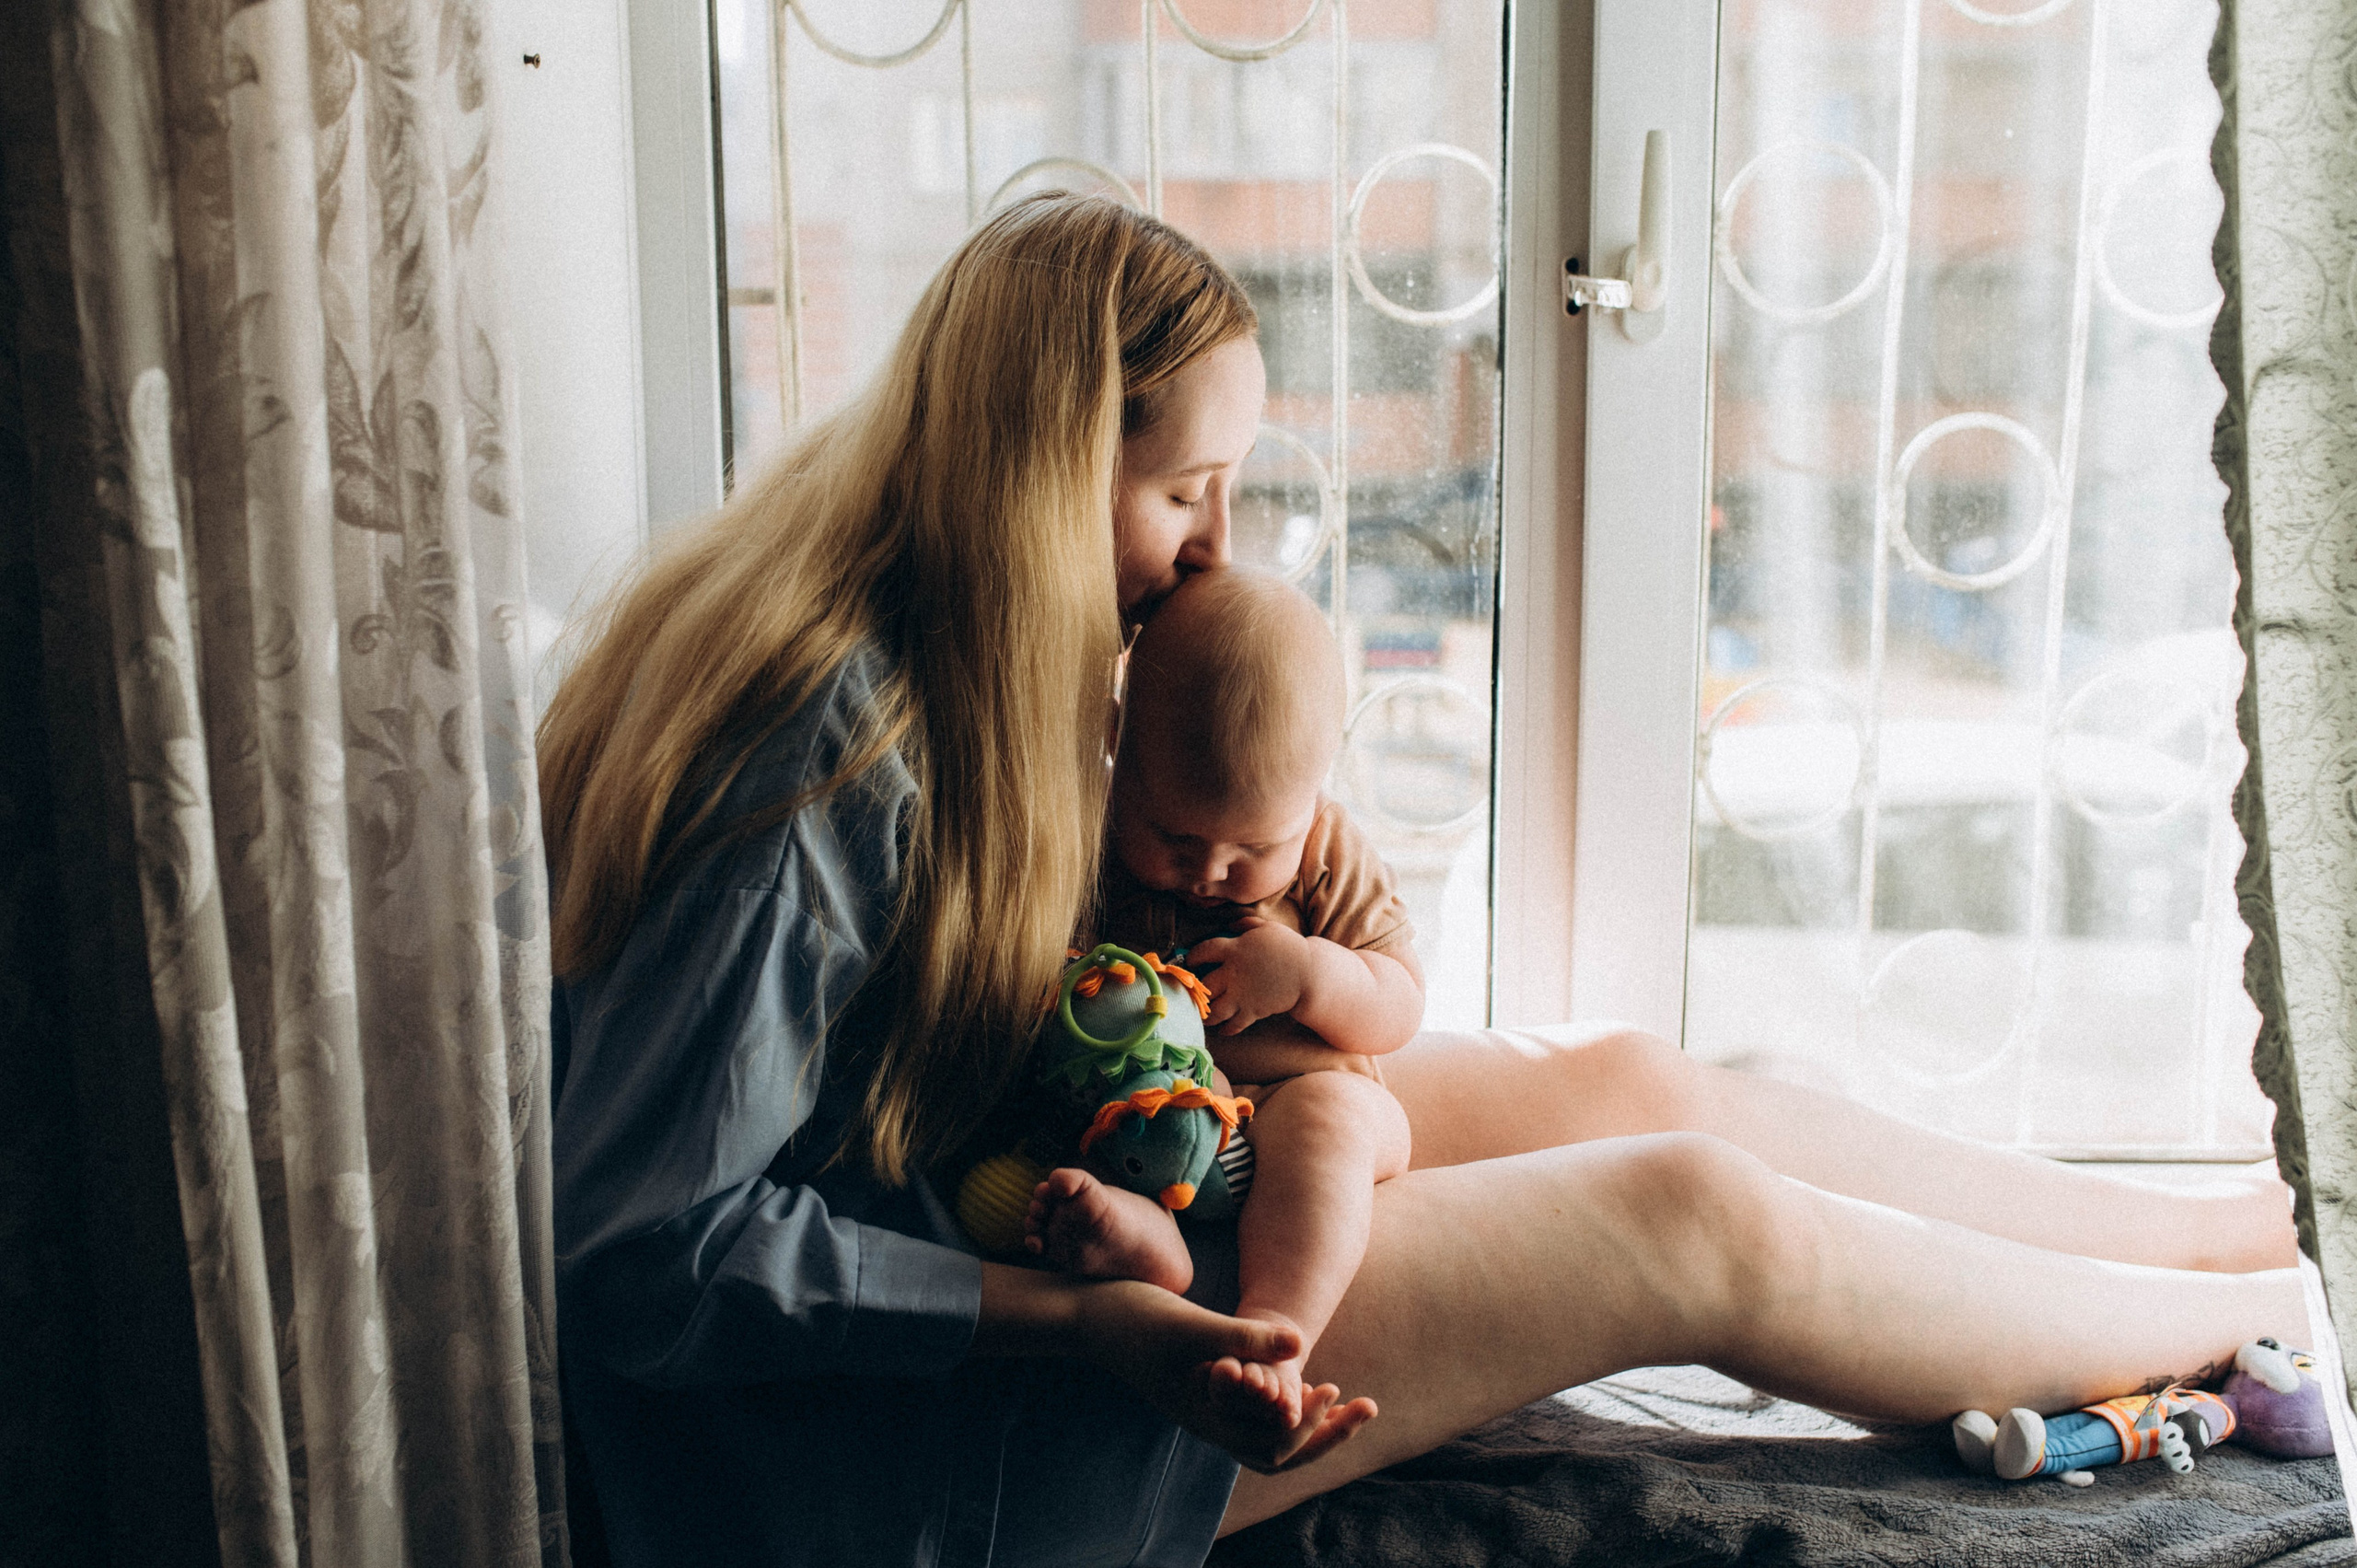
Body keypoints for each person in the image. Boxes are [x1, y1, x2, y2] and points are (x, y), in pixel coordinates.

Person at [540, 192, 2305, 1566]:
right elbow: (649, 1253)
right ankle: (2261, 1323)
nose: (1216, 554)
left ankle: (2239, 1226)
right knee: (1688, 1213)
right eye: (1188, 493)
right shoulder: (822, 750)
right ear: (1049, 469)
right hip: (913, 1459)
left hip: (1062, 1203)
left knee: (1613, 1073)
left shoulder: (951, 655)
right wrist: (1094, 1325)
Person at [1026, 568, 1419, 1444]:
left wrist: (1314, 975)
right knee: (1054, 1113)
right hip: (1152, 1122)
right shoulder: (1093, 833)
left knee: (1332, 1118)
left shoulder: (1325, 846)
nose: (1210, 871)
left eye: (1254, 847)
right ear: (1118, 746)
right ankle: (1150, 1244)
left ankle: (1274, 1333)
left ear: (1315, 792)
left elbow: (1399, 1002)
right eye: (1175, 836)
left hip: (1292, 1114)